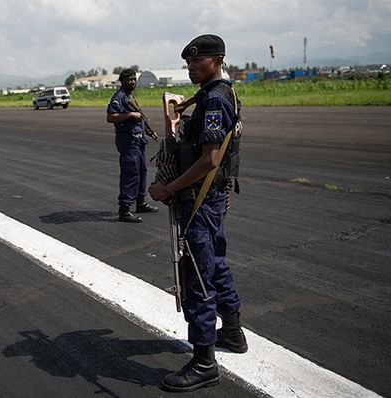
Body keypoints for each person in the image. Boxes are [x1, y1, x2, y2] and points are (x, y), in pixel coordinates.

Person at [148, 34, 248, 392]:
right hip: (212, 199)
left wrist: (166, 189)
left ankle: (204, 362)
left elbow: (209, 159)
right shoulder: (216, 94)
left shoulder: (213, 99)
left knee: (196, 275)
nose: (190, 66)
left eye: (197, 60)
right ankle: (233, 333)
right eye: (188, 62)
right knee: (216, 263)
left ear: (217, 59)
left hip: (200, 199)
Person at [107, 68, 159, 223]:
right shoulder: (119, 97)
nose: (133, 82)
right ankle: (124, 210)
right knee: (131, 174)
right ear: (122, 81)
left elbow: (140, 119)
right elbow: (111, 117)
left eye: (134, 79)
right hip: (128, 143)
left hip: (138, 141)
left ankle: (140, 202)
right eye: (129, 79)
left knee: (141, 172)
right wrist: (129, 115)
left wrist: (149, 132)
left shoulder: (131, 97)